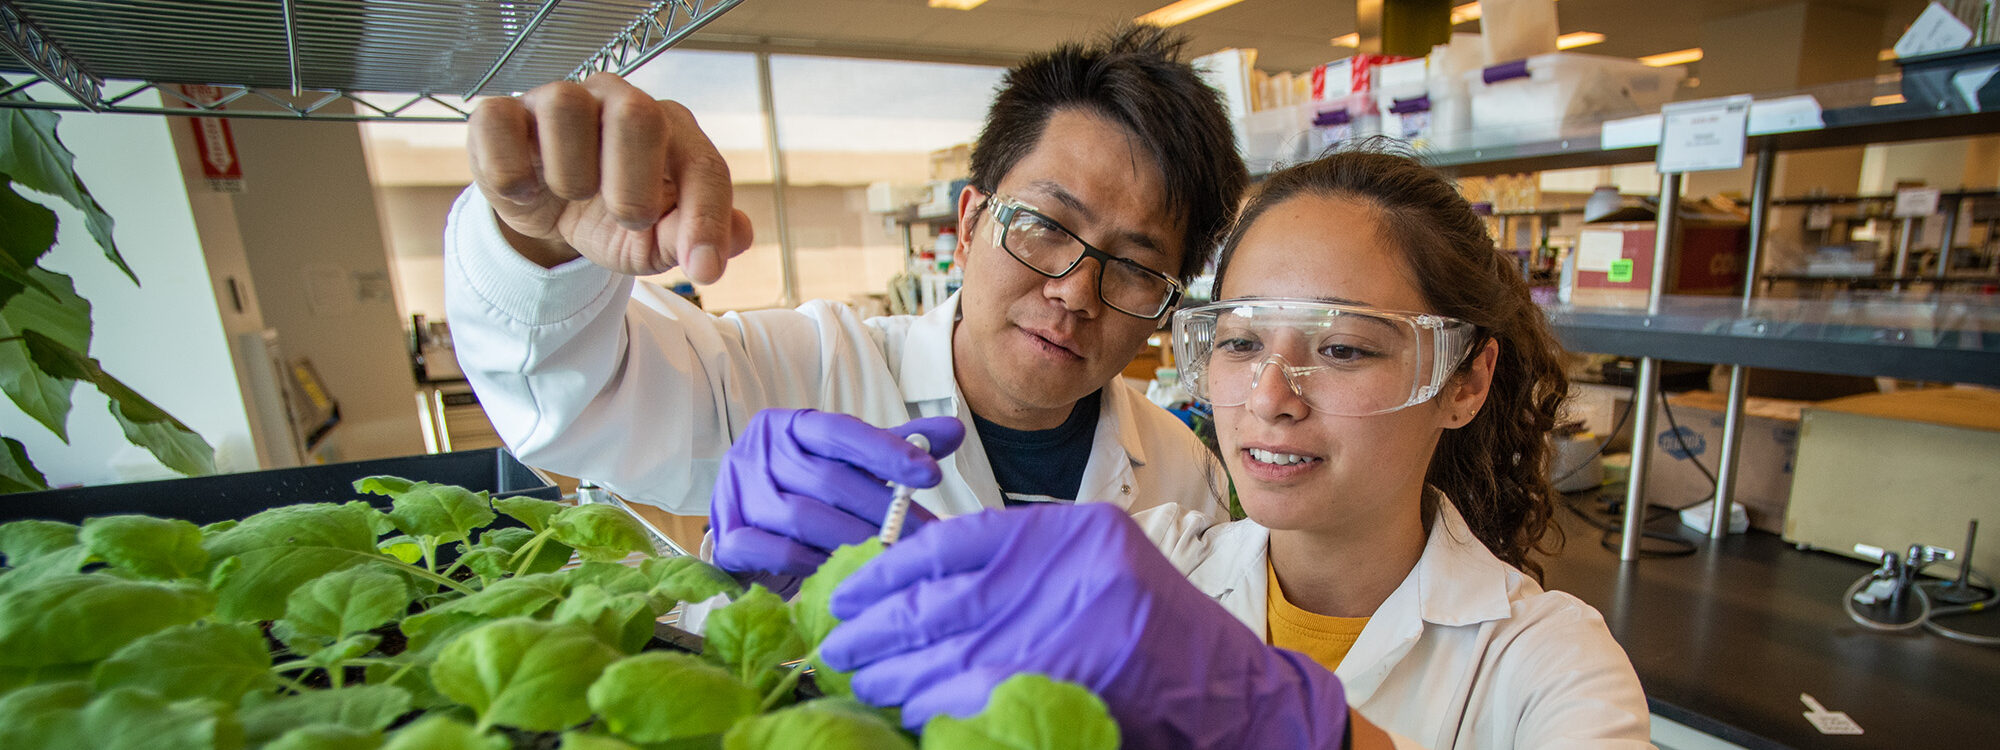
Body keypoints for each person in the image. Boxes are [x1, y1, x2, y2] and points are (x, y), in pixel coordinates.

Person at [720, 147, 1653, 748]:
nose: (1269, 399)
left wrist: (1290, 726)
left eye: (1342, 349)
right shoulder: (1162, 554)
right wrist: (876, 549)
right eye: (1242, 342)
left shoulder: (1548, 666)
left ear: (1465, 381)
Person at [443, 26, 1245, 577]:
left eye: (1135, 269)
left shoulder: (1185, 472)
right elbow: (577, 399)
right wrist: (539, 241)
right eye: (1043, 224)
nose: (1073, 291)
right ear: (968, 226)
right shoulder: (805, 370)